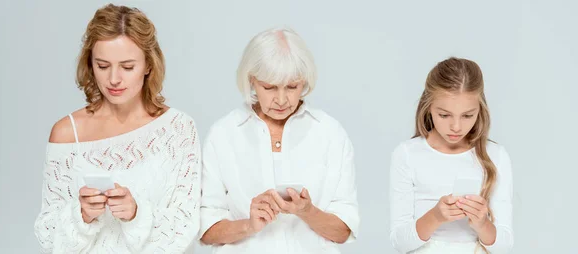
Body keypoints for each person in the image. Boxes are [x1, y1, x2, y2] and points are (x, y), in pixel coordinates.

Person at [34, 4, 201, 253]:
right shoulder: (67, 133)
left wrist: (136, 214)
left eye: (127, 66)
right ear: (90, 64)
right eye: (102, 66)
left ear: (148, 65)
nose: (113, 79)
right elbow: (48, 235)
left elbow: (186, 228)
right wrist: (81, 216)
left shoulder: (178, 129)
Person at [198, 27, 360, 253]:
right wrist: (249, 225)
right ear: (252, 81)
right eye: (270, 87)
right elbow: (206, 232)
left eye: (292, 87)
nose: (282, 100)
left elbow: (343, 231)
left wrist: (307, 211)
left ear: (304, 82)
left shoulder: (330, 133)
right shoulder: (224, 134)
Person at [389, 57, 514, 253]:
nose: (456, 127)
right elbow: (399, 242)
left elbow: (504, 246)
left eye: (467, 115)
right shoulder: (408, 154)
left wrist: (482, 223)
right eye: (444, 115)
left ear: (479, 110)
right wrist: (436, 216)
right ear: (428, 107)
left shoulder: (496, 156)